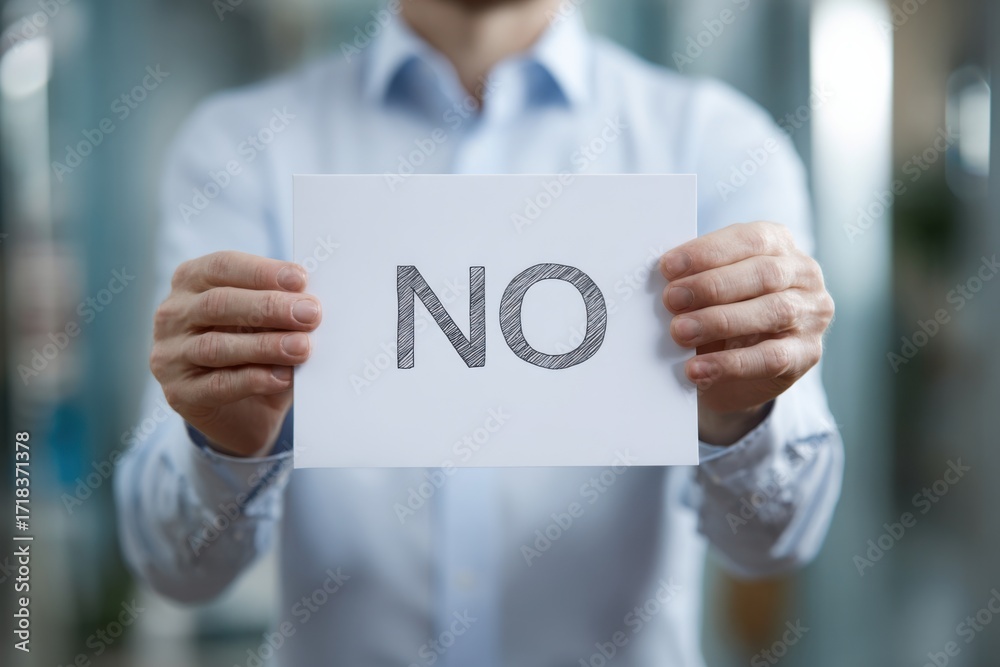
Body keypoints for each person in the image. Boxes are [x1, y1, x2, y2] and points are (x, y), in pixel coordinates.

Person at [115, 0, 843, 664]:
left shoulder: (721, 145)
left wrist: (740, 416)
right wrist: (227, 446)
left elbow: (778, 541)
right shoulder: (240, 149)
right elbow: (177, 569)